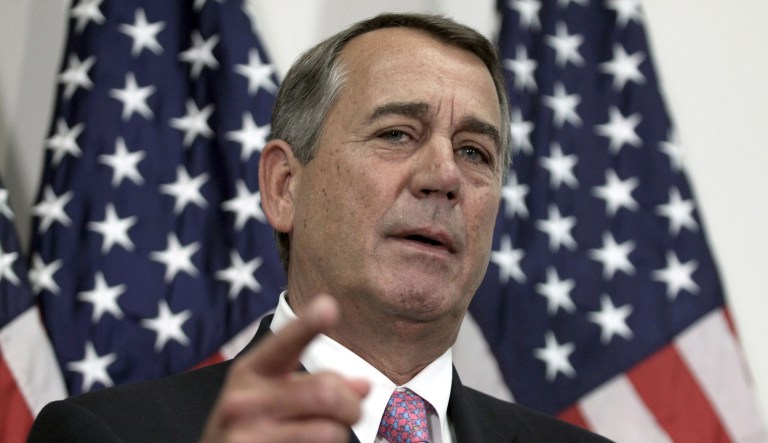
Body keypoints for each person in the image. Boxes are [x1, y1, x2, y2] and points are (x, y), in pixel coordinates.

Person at [28, 13, 612, 443]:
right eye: (396, 134)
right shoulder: (106, 436)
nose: (444, 175)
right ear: (285, 185)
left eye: (475, 151)